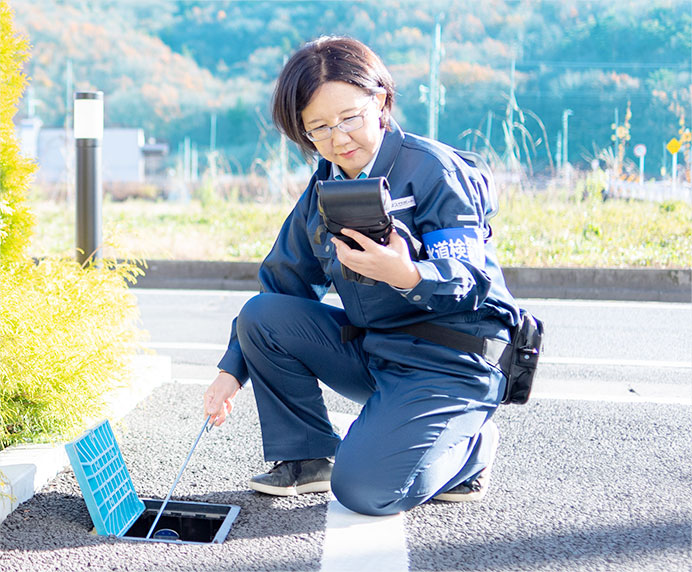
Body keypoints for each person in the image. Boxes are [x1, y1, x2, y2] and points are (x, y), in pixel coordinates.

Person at [203, 36, 520, 517]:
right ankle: (307, 459)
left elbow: (469, 277)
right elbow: (285, 281)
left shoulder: (433, 171)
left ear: (380, 101)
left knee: (366, 492)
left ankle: (470, 447)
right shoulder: (327, 184)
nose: (339, 139)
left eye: (349, 117)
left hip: (452, 361)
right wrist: (231, 372)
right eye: (319, 128)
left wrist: (409, 274)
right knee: (262, 316)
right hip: (380, 354)